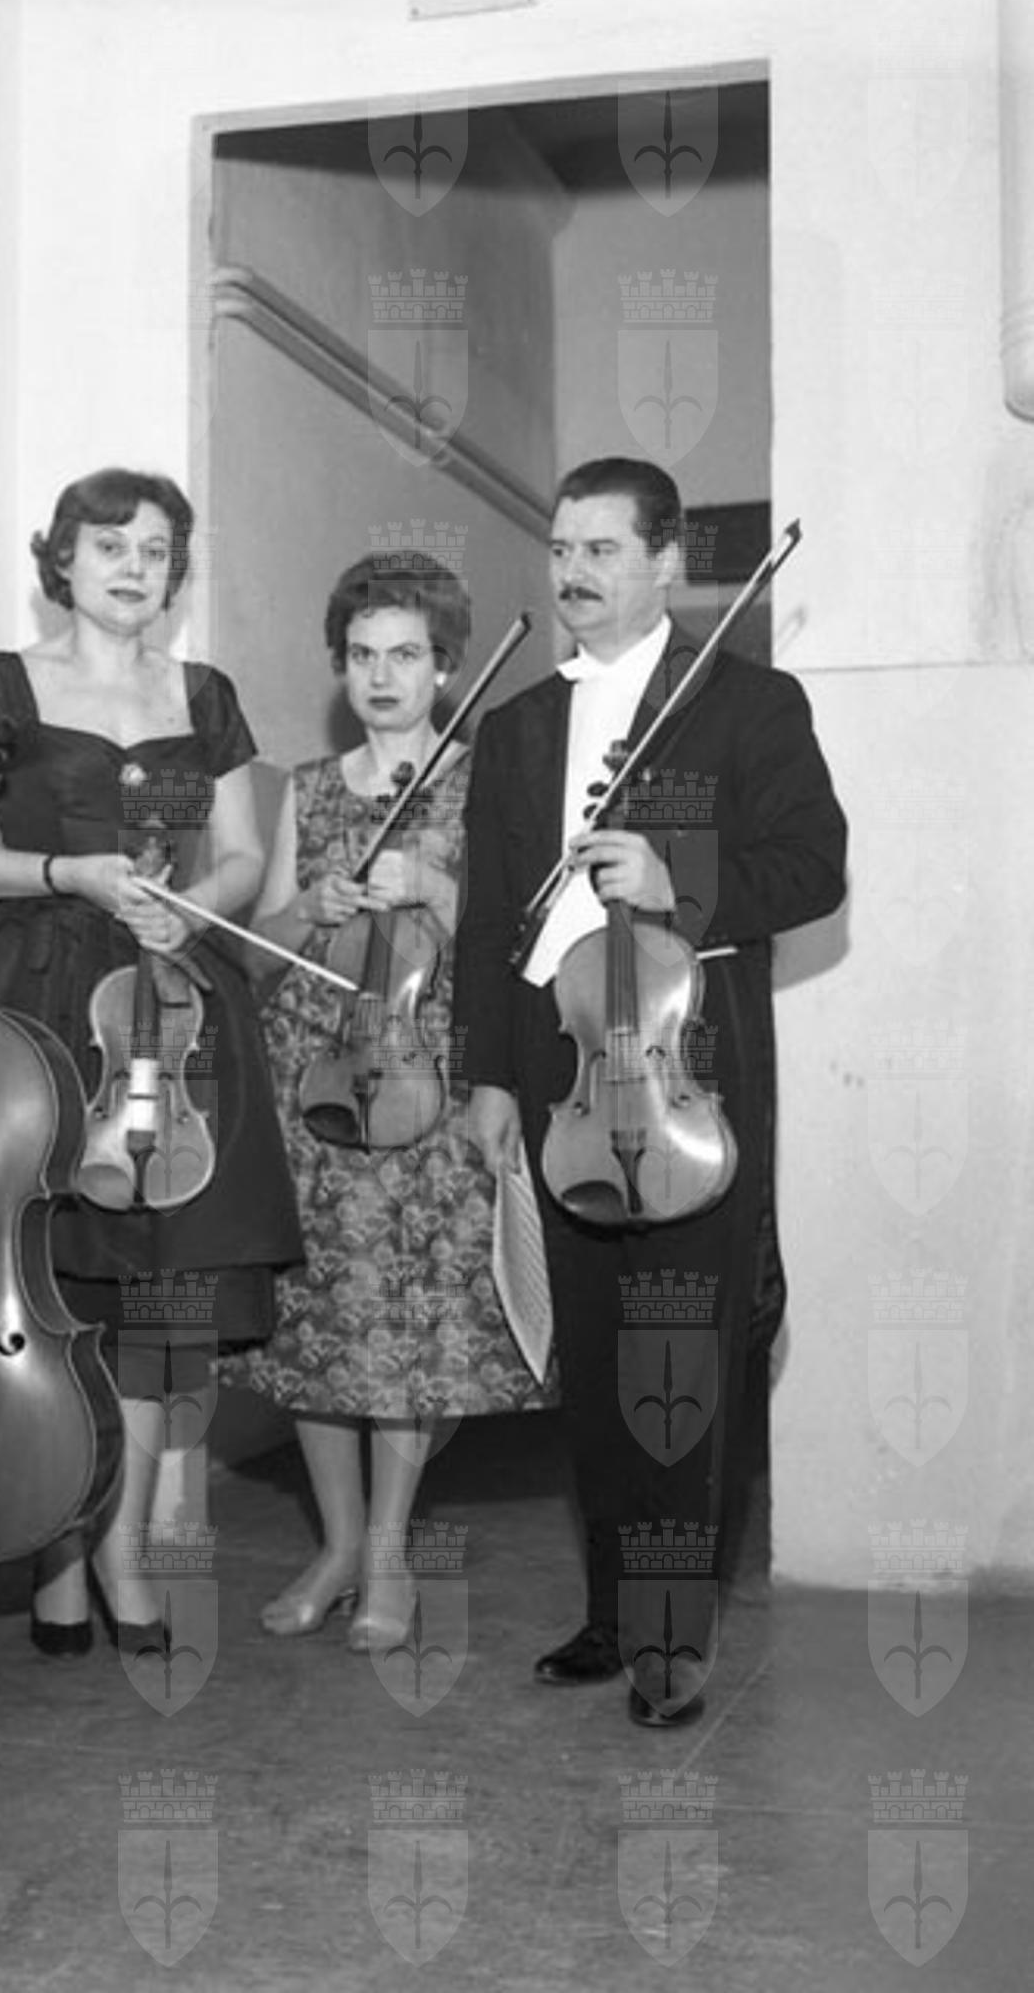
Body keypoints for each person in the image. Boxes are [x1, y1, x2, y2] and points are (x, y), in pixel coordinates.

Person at [453, 457, 846, 1728]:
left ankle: (674, 1630)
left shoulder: (748, 701)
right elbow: (484, 918)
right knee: (593, 1353)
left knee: (680, 1353)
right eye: (559, 548)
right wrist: (486, 1073)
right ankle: (614, 1609)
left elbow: (813, 868)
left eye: (601, 550)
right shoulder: (517, 726)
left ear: (666, 562)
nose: (571, 571)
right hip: (560, 1071)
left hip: (687, 1073)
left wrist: (680, 879)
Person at [0, 466, 303, 1654]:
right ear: (61, 559)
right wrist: (71, 875)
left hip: (168, 1007)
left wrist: (187, 909)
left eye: (154, 551)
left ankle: (122, 1547)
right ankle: (52, 1550)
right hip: (36, 996)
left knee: (157, 1293)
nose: (133, 568)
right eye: (108, 545)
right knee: (48, 1281)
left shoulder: (206, 692)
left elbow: (241, 855)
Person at [226, 553, 552, 1650]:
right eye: (360, 655)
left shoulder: (484, 782)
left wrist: (437, 888)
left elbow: (527, 946)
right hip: (312, 1085)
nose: (379, 676)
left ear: (445, 667)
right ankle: (333, 1545)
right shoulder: (308, 789)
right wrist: (306, 910)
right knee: (315, 1327)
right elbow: (257, 958)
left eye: (404, 655)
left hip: (426, 1082)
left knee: (406, 1327)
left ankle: (385, 1553)